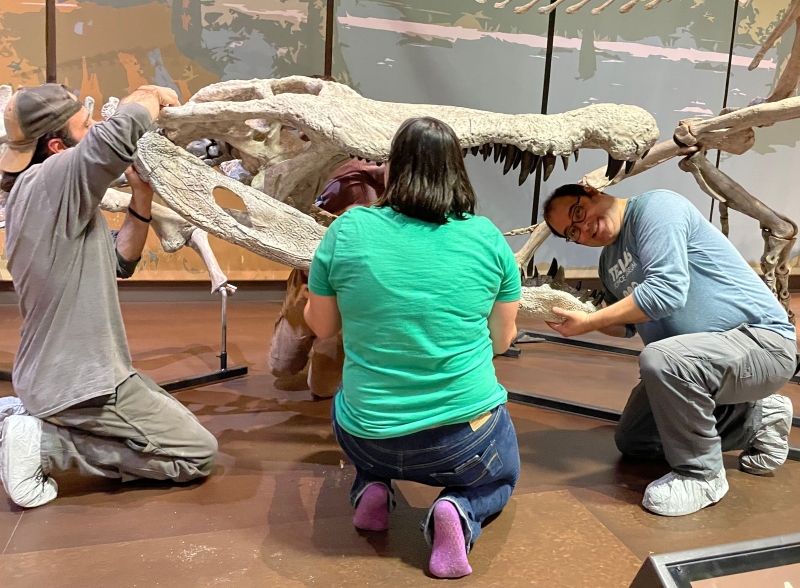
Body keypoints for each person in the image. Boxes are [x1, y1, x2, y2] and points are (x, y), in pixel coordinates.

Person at [304, 117, 521, 578]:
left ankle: (372, 487)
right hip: (463, 442)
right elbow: (502, 343)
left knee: (356, 408)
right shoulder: (489, 238)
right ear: (457, 170)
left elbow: (321, 329)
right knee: (502, 474)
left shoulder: (347, 230)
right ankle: (461, 511)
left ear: (393, 169)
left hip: (365, 434)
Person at [0, 83, 218, 508]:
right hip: (80, 383)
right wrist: (150, 91)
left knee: (179, 426)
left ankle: (26, 415)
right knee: (195, 453)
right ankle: (46, 445)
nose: (96, 124)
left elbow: (120, 262)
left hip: (75, 373)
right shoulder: (53, 178)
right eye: (87, 124)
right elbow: (122, 130)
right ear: (58, 145)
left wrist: (141, 198)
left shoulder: (49, 193)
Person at [542, 183, 797, 517]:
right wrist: (576, 315)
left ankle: (702, 474)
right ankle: (758, 418)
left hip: (762, 344)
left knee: (660, 359)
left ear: (593, 192)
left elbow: (666, 294)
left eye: (579, 213)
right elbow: (627, 325)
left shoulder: (656, 208)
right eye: (572, 233)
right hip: (696, 364)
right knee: (635, 440)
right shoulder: (608, 264)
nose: (583, 229)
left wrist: (588, 324)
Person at [268, 159, 385, 398]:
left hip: (342, 294)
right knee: (281, 366)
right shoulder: (343, 175)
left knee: (322, 387)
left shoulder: (376, 197)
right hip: (307, 282)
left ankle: (335, 358)